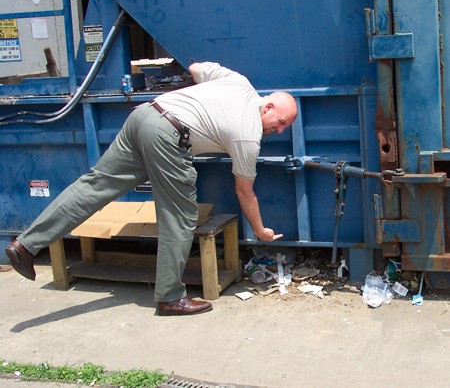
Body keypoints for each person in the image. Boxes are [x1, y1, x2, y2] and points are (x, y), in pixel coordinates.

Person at [5, 61, 298, 316]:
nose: (280, 130)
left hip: (145, 115)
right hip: (169, 135)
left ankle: (26, 245)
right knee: (180, 216)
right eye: (281, 122)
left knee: (94, 186)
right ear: (268, 106)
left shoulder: (238, 82)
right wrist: (260, 231)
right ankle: (170, 298)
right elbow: (244, 191)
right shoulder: (248, 134)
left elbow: (196, 68)